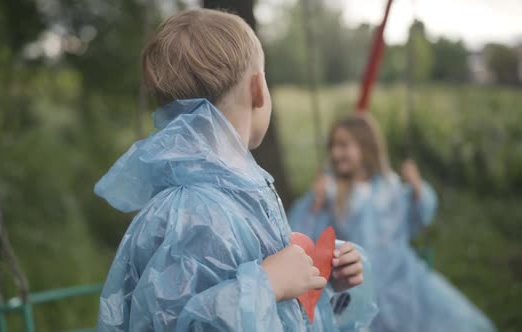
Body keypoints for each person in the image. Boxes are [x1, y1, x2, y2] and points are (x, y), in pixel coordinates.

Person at [94, 9, 377, 331]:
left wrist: (318, 277)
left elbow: (266, 308)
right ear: (258, 89)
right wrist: (268, 284)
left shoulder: (237, 192)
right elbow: (179, 323)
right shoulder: (195, 213)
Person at [288, 113, 496, 332]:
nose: (335, 153)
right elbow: (302, 236)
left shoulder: (390, 188)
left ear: (366, 147)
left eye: (343, 145)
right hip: (359, 288)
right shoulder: (331, 193)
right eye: (332, 146)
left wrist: (418, 191)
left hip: (404, 282)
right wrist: (315, 203)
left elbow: (418, 218)